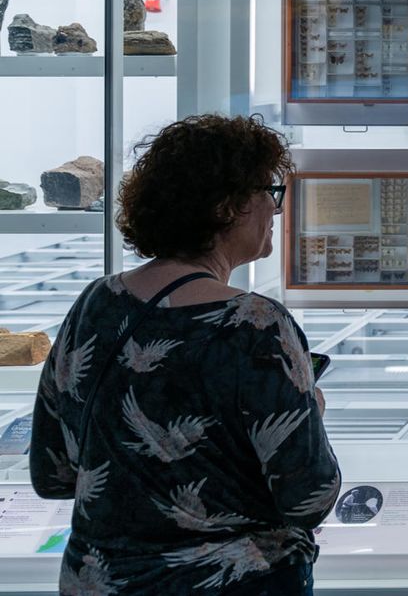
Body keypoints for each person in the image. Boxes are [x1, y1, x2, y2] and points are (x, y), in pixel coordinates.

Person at [30, 114, 341, 595]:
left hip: (98, 581)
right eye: (268, 193)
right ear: (226, 207)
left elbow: (52, 474)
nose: (276, 211)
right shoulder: (256, 325)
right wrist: (311, 413)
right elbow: (309, 498)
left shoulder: (96, 303)